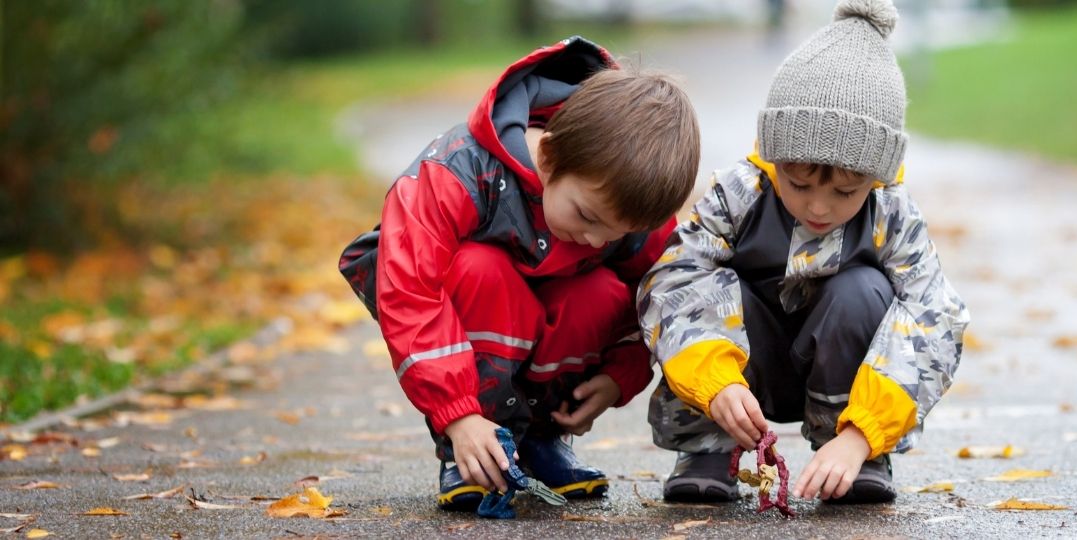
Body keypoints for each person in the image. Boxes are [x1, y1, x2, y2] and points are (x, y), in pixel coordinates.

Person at [338, 36, 700, 511]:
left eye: (616, 234)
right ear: (548, 158)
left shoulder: (624, 201)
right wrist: (457, 414)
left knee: (600, 291)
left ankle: (540, 440)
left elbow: (659, 289)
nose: (596, 241)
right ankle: (471, 449)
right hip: (474, 315)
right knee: (478, 269)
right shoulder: (457, 172)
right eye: (588, 218)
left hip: (554, 330)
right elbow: (412, 289)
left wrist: (619, 374)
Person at [637, 0, 969, 504]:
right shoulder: (740, 195)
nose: (818, 206)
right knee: (708, 281)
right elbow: (673, 279)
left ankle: (849, 450)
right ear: (774, 157)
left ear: (876, 178)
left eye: (844, 193)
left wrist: (862, 435)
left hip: (844, 376)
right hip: (743, 368)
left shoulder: (890, 213)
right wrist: (713, 381)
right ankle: (706, 445)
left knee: (864, 290)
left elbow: (933, 316)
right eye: (799, 183)